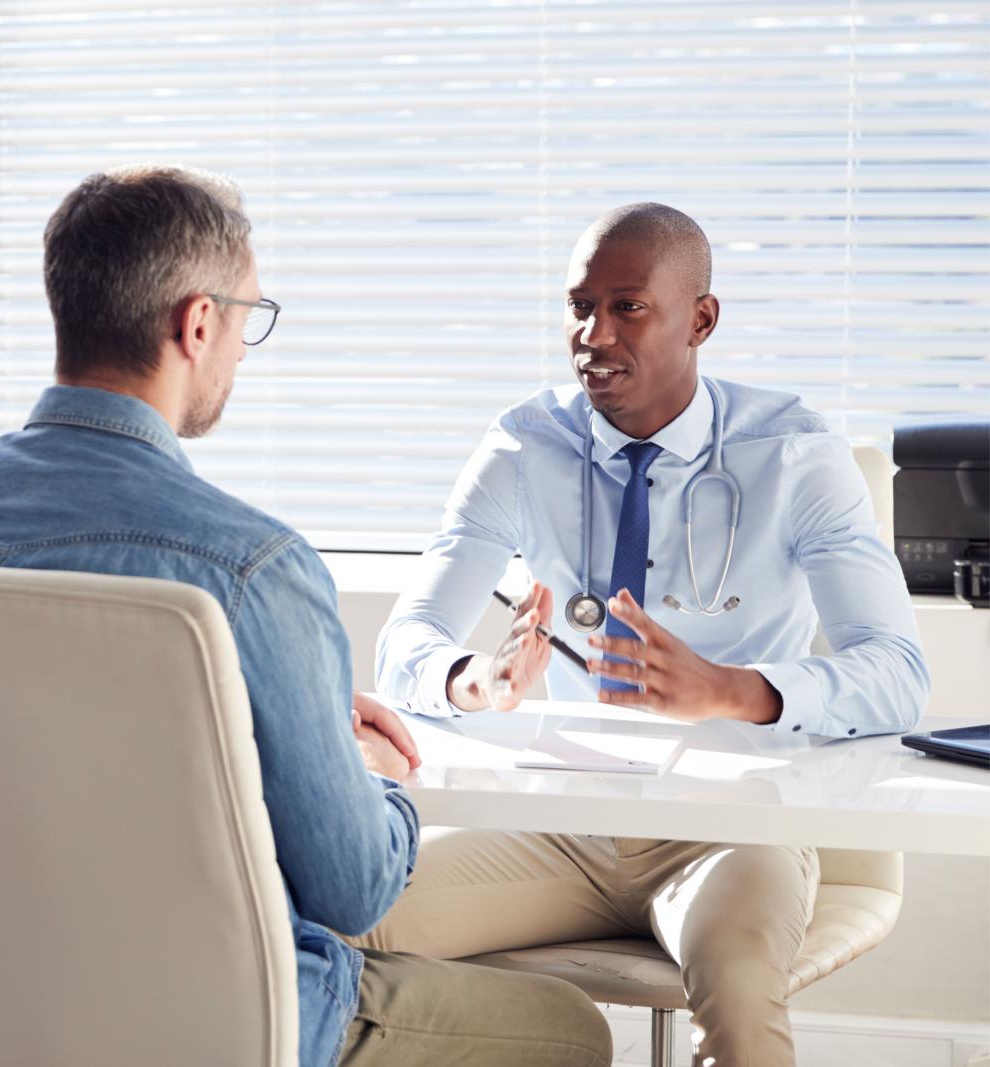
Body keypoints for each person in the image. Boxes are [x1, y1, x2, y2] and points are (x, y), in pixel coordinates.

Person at [0, 165, 612, 1067]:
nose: (241, 347)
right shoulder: (253, 568)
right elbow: (355, 892)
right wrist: (366, 765)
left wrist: (281, 711)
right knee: (572, 1030)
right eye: (249, 319)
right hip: (233, 1024)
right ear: (198, 322)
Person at [371, 202, 930, 1065]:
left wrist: (734, 689)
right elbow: (404, 642)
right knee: (339, 922)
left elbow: (898, 674)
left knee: (740, 1000)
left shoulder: (793, 453)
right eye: (578, 306)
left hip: (734, 824)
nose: (593, 333)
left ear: (701, 319)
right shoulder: (525, 445)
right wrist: (468, 680)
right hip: (562, 824)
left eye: (627, 306)